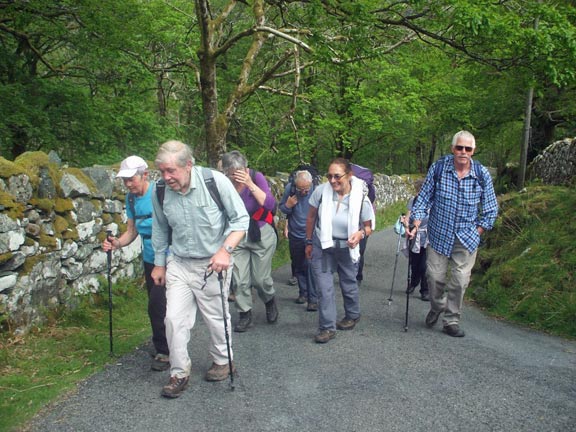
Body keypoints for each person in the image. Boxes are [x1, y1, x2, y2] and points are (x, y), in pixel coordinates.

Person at [151, 141, 249, 398]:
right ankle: (179, 372)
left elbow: (241, 220)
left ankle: (222, 360)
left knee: (216, 317)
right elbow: (160, 228)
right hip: (179, 263)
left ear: (189, 165)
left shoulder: (215, 182)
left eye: (171, 171)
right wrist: (159, 264)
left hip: (212, 263)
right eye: (162, 171)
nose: (166, 177)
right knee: (173, 319)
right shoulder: (160, 190)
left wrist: (224, 251)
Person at [409, 130, 498, 338]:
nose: (463, 152)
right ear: (453, 149)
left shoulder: (481, 174)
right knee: (434, 278)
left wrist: (479, 230)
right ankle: (437, 305)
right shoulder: (439, 168)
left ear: (473, 151)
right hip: (439, 234)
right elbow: (424, 198)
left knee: (459, 279)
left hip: (467, 237)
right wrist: (416, 220)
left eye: (468, 148)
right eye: (459, 147)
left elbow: (491, 207)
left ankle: (451, 320)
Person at [102, 156, 170, 372]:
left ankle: (165, 351)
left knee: (157, 305)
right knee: (157, 303)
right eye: (125, 181)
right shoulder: (131, 200)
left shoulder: (160, 193)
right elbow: (132, 231)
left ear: (145, 175)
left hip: (169, 256)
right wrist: (116, 244)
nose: (128, 184)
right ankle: (166, 345)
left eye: (132, 179)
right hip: (149, 258)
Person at [305, 158, 375, 344]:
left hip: (347, 247)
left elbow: (369, 227)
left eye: (337, 176)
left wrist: (360, 234)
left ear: (349, 175)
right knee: (324, 287)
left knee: (348, 282)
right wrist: (308, 242)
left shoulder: (361, 198)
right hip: (324, 245)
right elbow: (311, 217)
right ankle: (327, 327)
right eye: (329, 176)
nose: (332, 180)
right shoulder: (321, 192)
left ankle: (352, 314)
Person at [220, 151, 279, 333]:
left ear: (245, 169)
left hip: (260, 231)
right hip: (236, 234)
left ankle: (269, 300)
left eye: (239, 172)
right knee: (239, 280)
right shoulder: (222, 183)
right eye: (232, 173)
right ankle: (245, 313)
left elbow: (270, 205)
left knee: (261, 279)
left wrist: (249, 184)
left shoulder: (256, 177)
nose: (236, 176)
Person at [279, 170, 318, 311]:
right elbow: (282, 208)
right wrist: (288, 205)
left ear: (311, 183)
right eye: (301, 189)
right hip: (295, 234)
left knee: (310, 266)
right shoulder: (290, 189)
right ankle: (303, 293)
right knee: (298, 265)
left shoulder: (317, 190)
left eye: (306, 189)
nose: (304, 192)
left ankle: (313, 299)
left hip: (311, 234)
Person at [402, 178, 430, 301]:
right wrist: (406, 225)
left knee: (424, 265)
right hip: (414, 236)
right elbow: (408, 217)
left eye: (421, 190)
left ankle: (425, 290)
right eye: (418, 190)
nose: (419, 193)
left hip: (428, 237)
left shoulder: (432, 202)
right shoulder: (413, 201)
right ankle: (413, 283)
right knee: (414, 263)